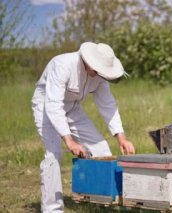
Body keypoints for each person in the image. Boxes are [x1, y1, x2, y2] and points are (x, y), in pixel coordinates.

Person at [31, 42, 135, 212]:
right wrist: (69, 140)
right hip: (45, 106)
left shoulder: (100, 76)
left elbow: (107, 104)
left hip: (72, 108)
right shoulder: (62, 64)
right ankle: (52, 209)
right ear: (89, 62)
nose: (99, 75)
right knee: (53, 155)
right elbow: (53, 104)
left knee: (101, 149)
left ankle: (102, 201)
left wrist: (121, 137)